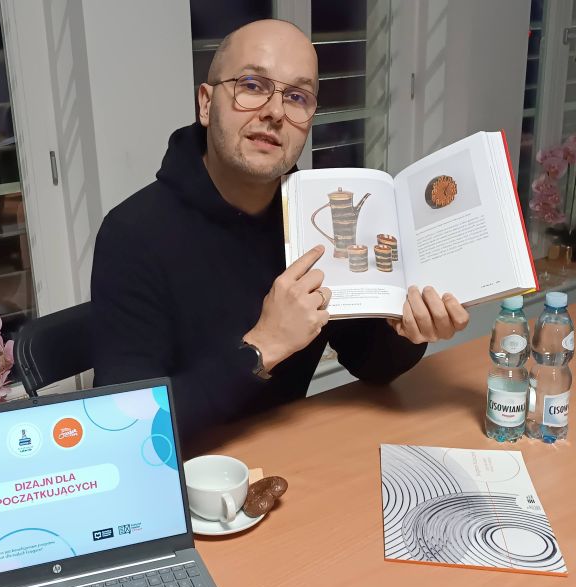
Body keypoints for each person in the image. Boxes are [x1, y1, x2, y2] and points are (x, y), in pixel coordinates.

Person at [91, 20, 469, 442]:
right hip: (191, 471)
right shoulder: (133, 235)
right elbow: (130, 429)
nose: (274, 112)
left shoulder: (314, 218)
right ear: (206, 104)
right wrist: (262, 347)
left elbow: (370, 363)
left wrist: (408, 332)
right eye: (252, 86)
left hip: (289, 457)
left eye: (296, 97)